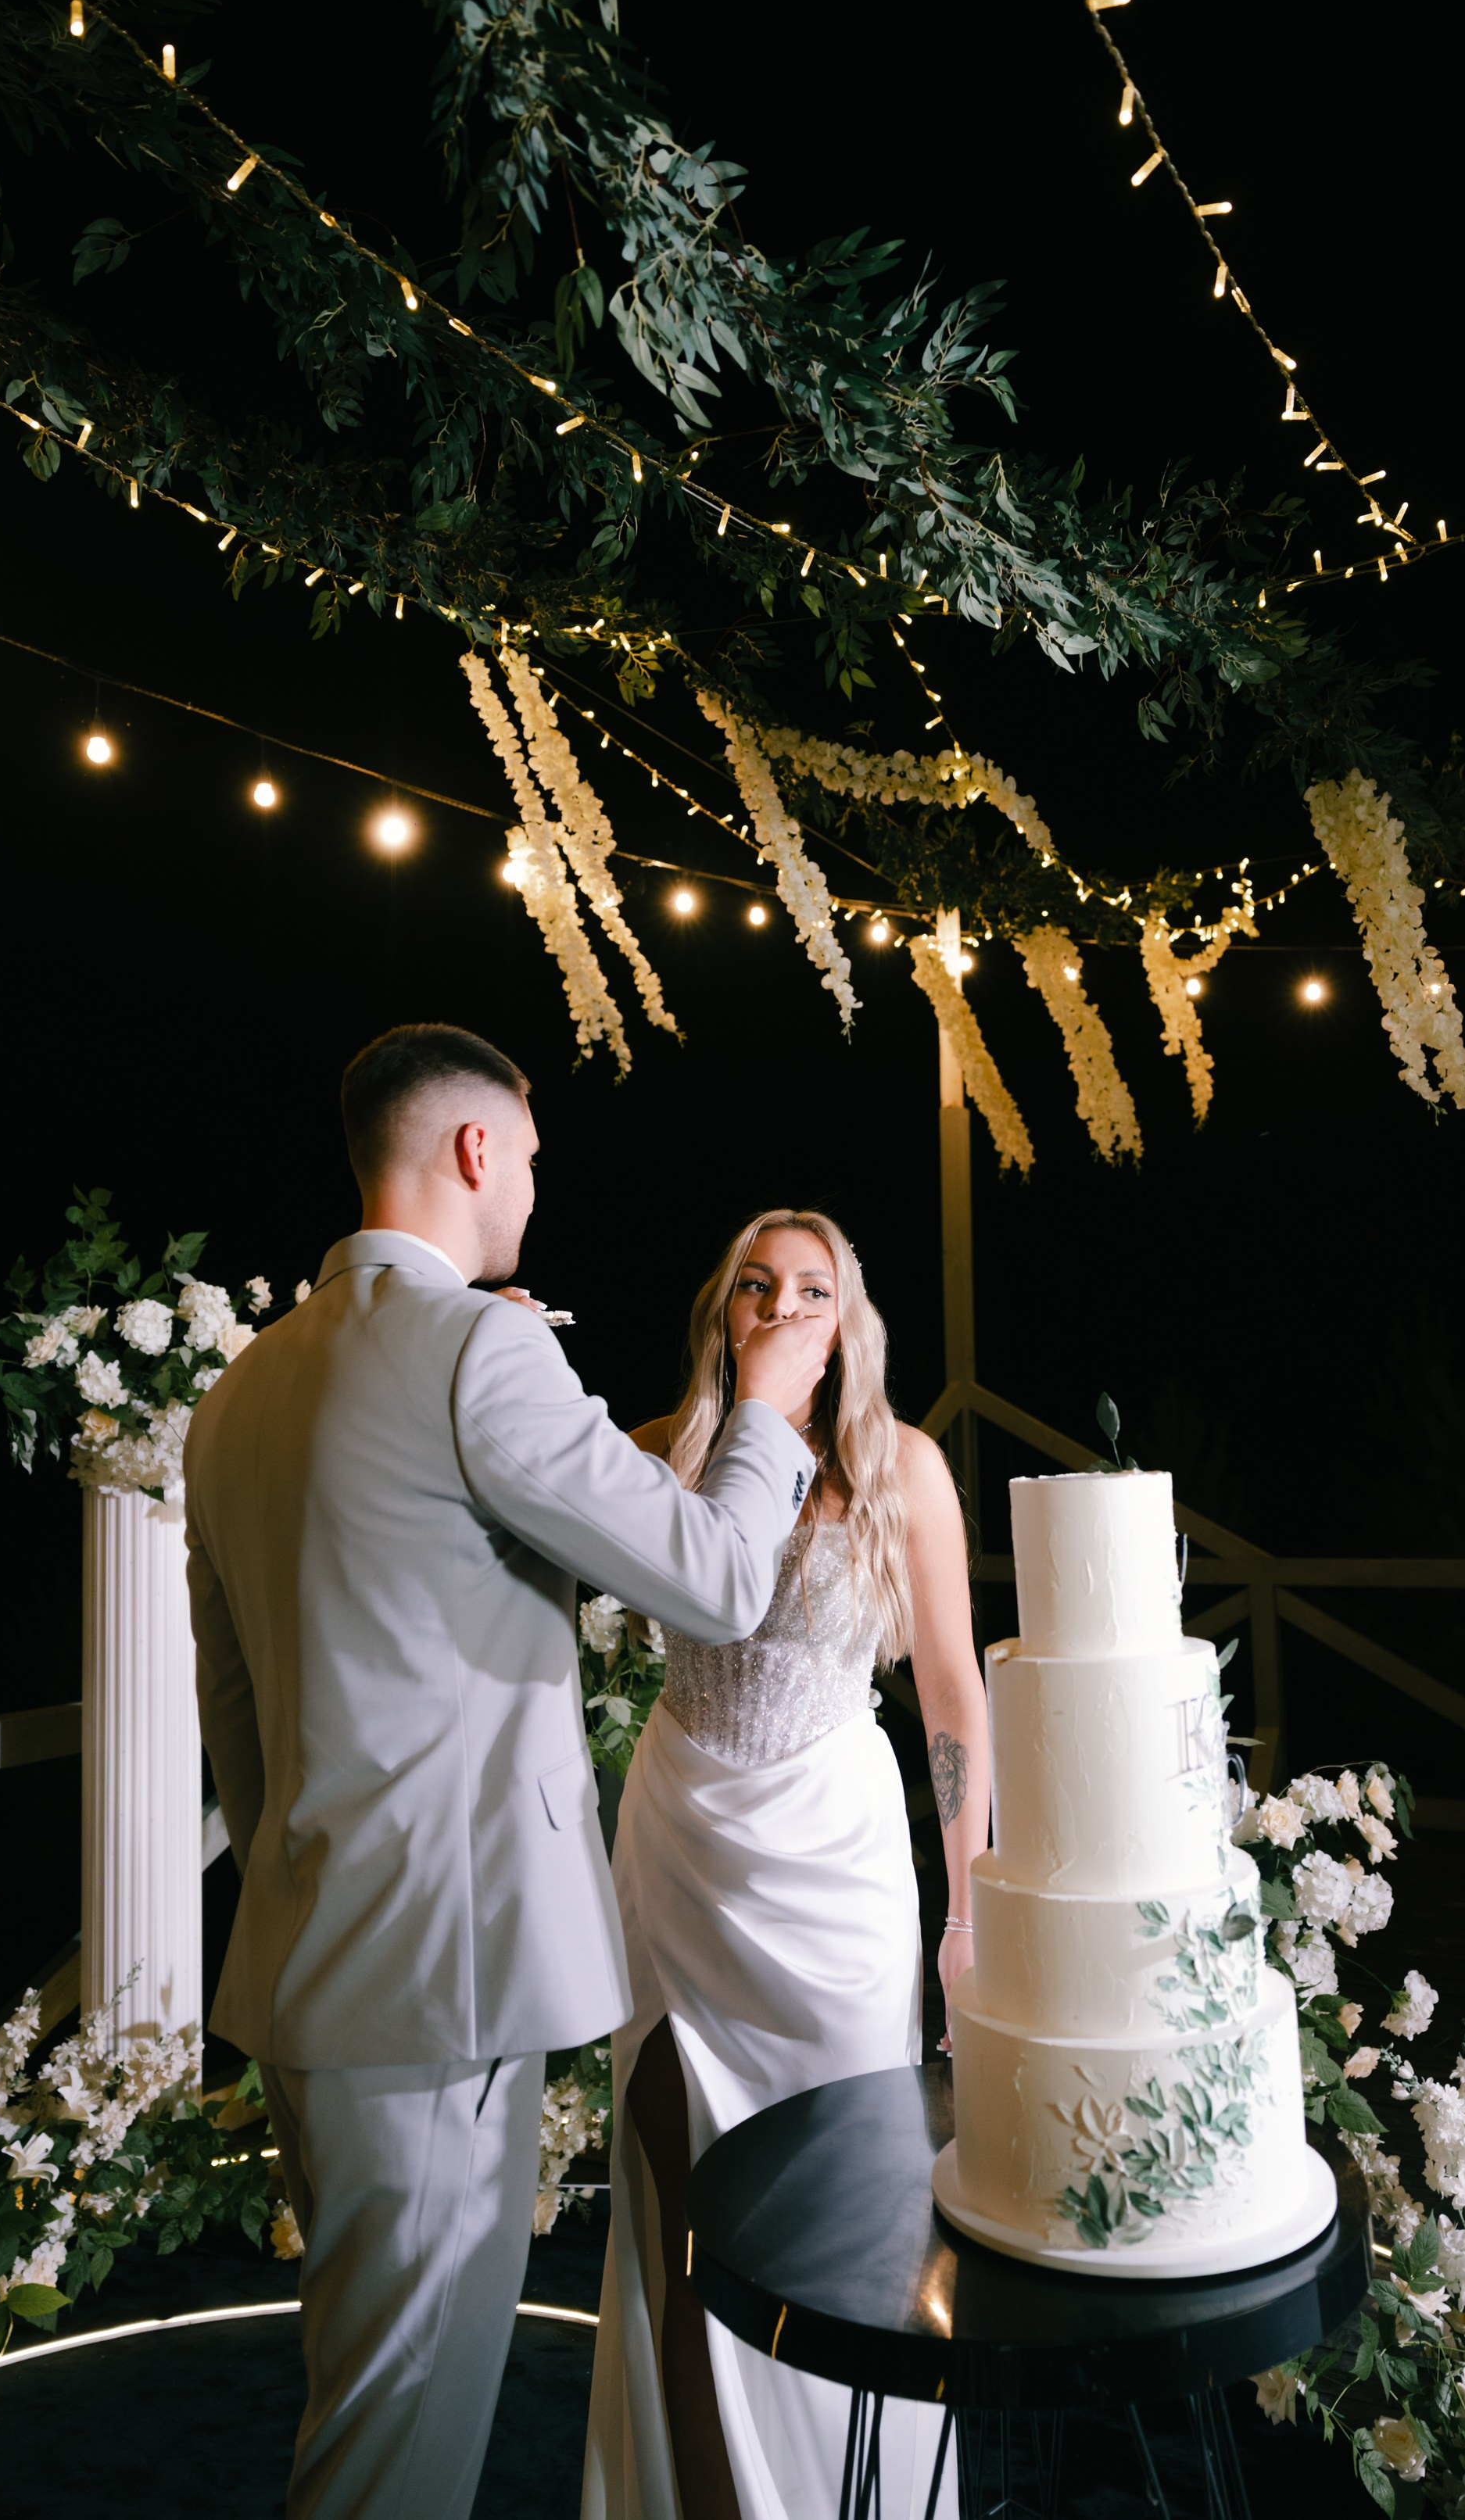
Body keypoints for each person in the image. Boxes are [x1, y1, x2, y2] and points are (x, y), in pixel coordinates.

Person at [185, 1025, 828, 2520]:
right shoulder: (483, 1350)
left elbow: (238, 1725)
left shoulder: (241, 1393)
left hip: (306, 1964)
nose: (534, 1187)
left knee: (365, 2395)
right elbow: (716, 1581)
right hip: (442, 1981)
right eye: (529, 1158)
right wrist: (767, 1406)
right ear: (476, 1150)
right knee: (396, 2446)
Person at [578, 1207, 990, 2520]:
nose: (782, 1305)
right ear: (725, 1312)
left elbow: (952, 1699)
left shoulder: (901, 1466)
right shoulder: (655, 1452)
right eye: (756, 1284)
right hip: (679, 1851)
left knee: (850, 2205)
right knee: (680, 2201)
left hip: (839, 1871)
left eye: (813, 1287)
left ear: (847, 1319)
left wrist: (966, 1912)